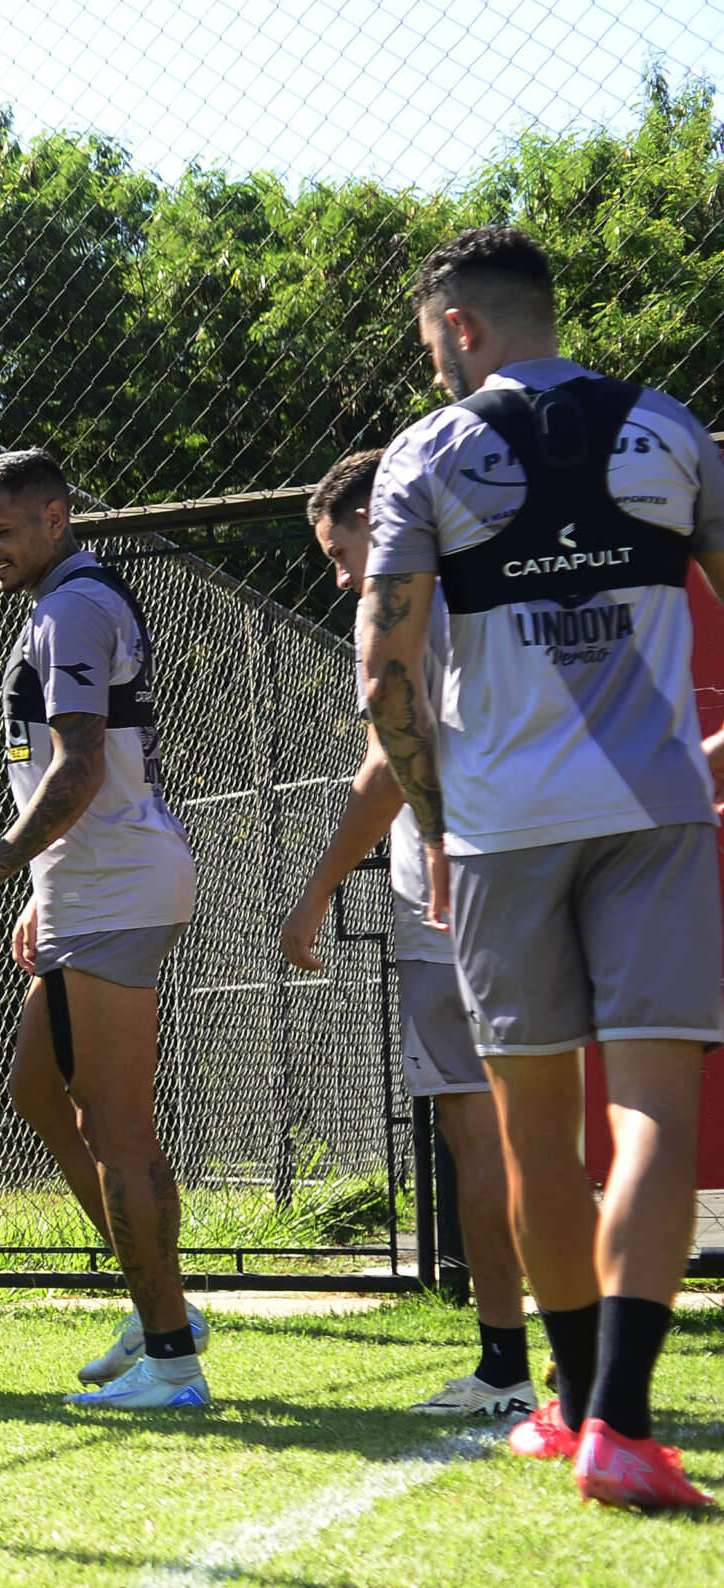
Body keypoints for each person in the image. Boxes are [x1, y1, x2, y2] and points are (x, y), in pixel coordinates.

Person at [360, 225, 724, 1508]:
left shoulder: (425, 453)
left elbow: (383, 672)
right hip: (657, 818)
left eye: (428, 341)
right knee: (653, 1115)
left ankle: (569, 1410)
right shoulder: (678, 434)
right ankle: (618, 1421)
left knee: (533, 1132)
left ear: (457, 327)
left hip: (501, 830)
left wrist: (434, 822)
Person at [0, 449, 209, 1410]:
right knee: (38, 1093)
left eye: (2, 533)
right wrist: (42, 888)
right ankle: (156, 1298)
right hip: (81, 889)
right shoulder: (54, 608)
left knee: (118, 1127)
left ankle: (173, 1358)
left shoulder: (75, 606)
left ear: (56, 518)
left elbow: (81, 766)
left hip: (119, 887)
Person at [281, 449, 534, 1418]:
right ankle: (577, 1354)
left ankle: (504, 1366)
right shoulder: (494, 582)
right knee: (537, 1126)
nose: (342, 575)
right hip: (527, 866)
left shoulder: (401, 606)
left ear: (377, 521)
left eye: (340, 550)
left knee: (476, 1135)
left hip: (447, 891)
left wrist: (310, 894)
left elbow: (384, 765)